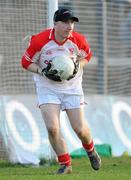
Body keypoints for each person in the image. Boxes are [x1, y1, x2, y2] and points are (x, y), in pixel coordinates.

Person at [21, 8, 101, 174]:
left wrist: (78, 65)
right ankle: (65, 164)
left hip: (72, 87)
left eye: (72, 22)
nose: (69, 26)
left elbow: (87, 55)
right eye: (65, 22)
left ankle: (91, 151)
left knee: (80, 129)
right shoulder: (40, 40)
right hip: (47, 87)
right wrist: (42, 71)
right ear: (55, 23)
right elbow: (25, 62)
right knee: (53, 128)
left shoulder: (78, 40)